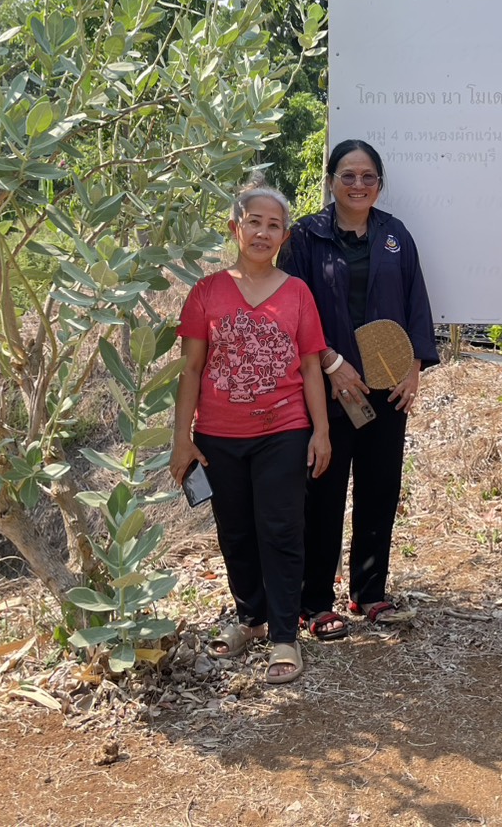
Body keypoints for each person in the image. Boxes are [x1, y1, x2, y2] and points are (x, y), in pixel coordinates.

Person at [170, 179, 331, 685]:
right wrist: (182, 437)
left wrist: (321, 432)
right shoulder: (206, 292)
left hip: (284, 430)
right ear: (235, 227)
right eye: (254, 222)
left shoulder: (298, 293)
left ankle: (284, 636)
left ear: (284, 236)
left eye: (274, 225)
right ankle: (252, 620)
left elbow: (309, 369)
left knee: (281, 530)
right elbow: (192, 370)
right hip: (218, 435)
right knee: (234, 531)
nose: (263, 232)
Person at [280, 139, 438, 638]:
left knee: (379, 491)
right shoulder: (305, 236)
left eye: (368, 176)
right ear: (331, 180)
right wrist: (329, 361)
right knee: (322, 493)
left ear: (379, 183)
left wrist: (413, 369)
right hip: (326, 389)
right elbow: (291, 309)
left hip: (387, 388)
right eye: (348, 175)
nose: (358, 185)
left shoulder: (395, 235)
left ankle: (369, 593)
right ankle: (314, 601)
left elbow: (416, 301)